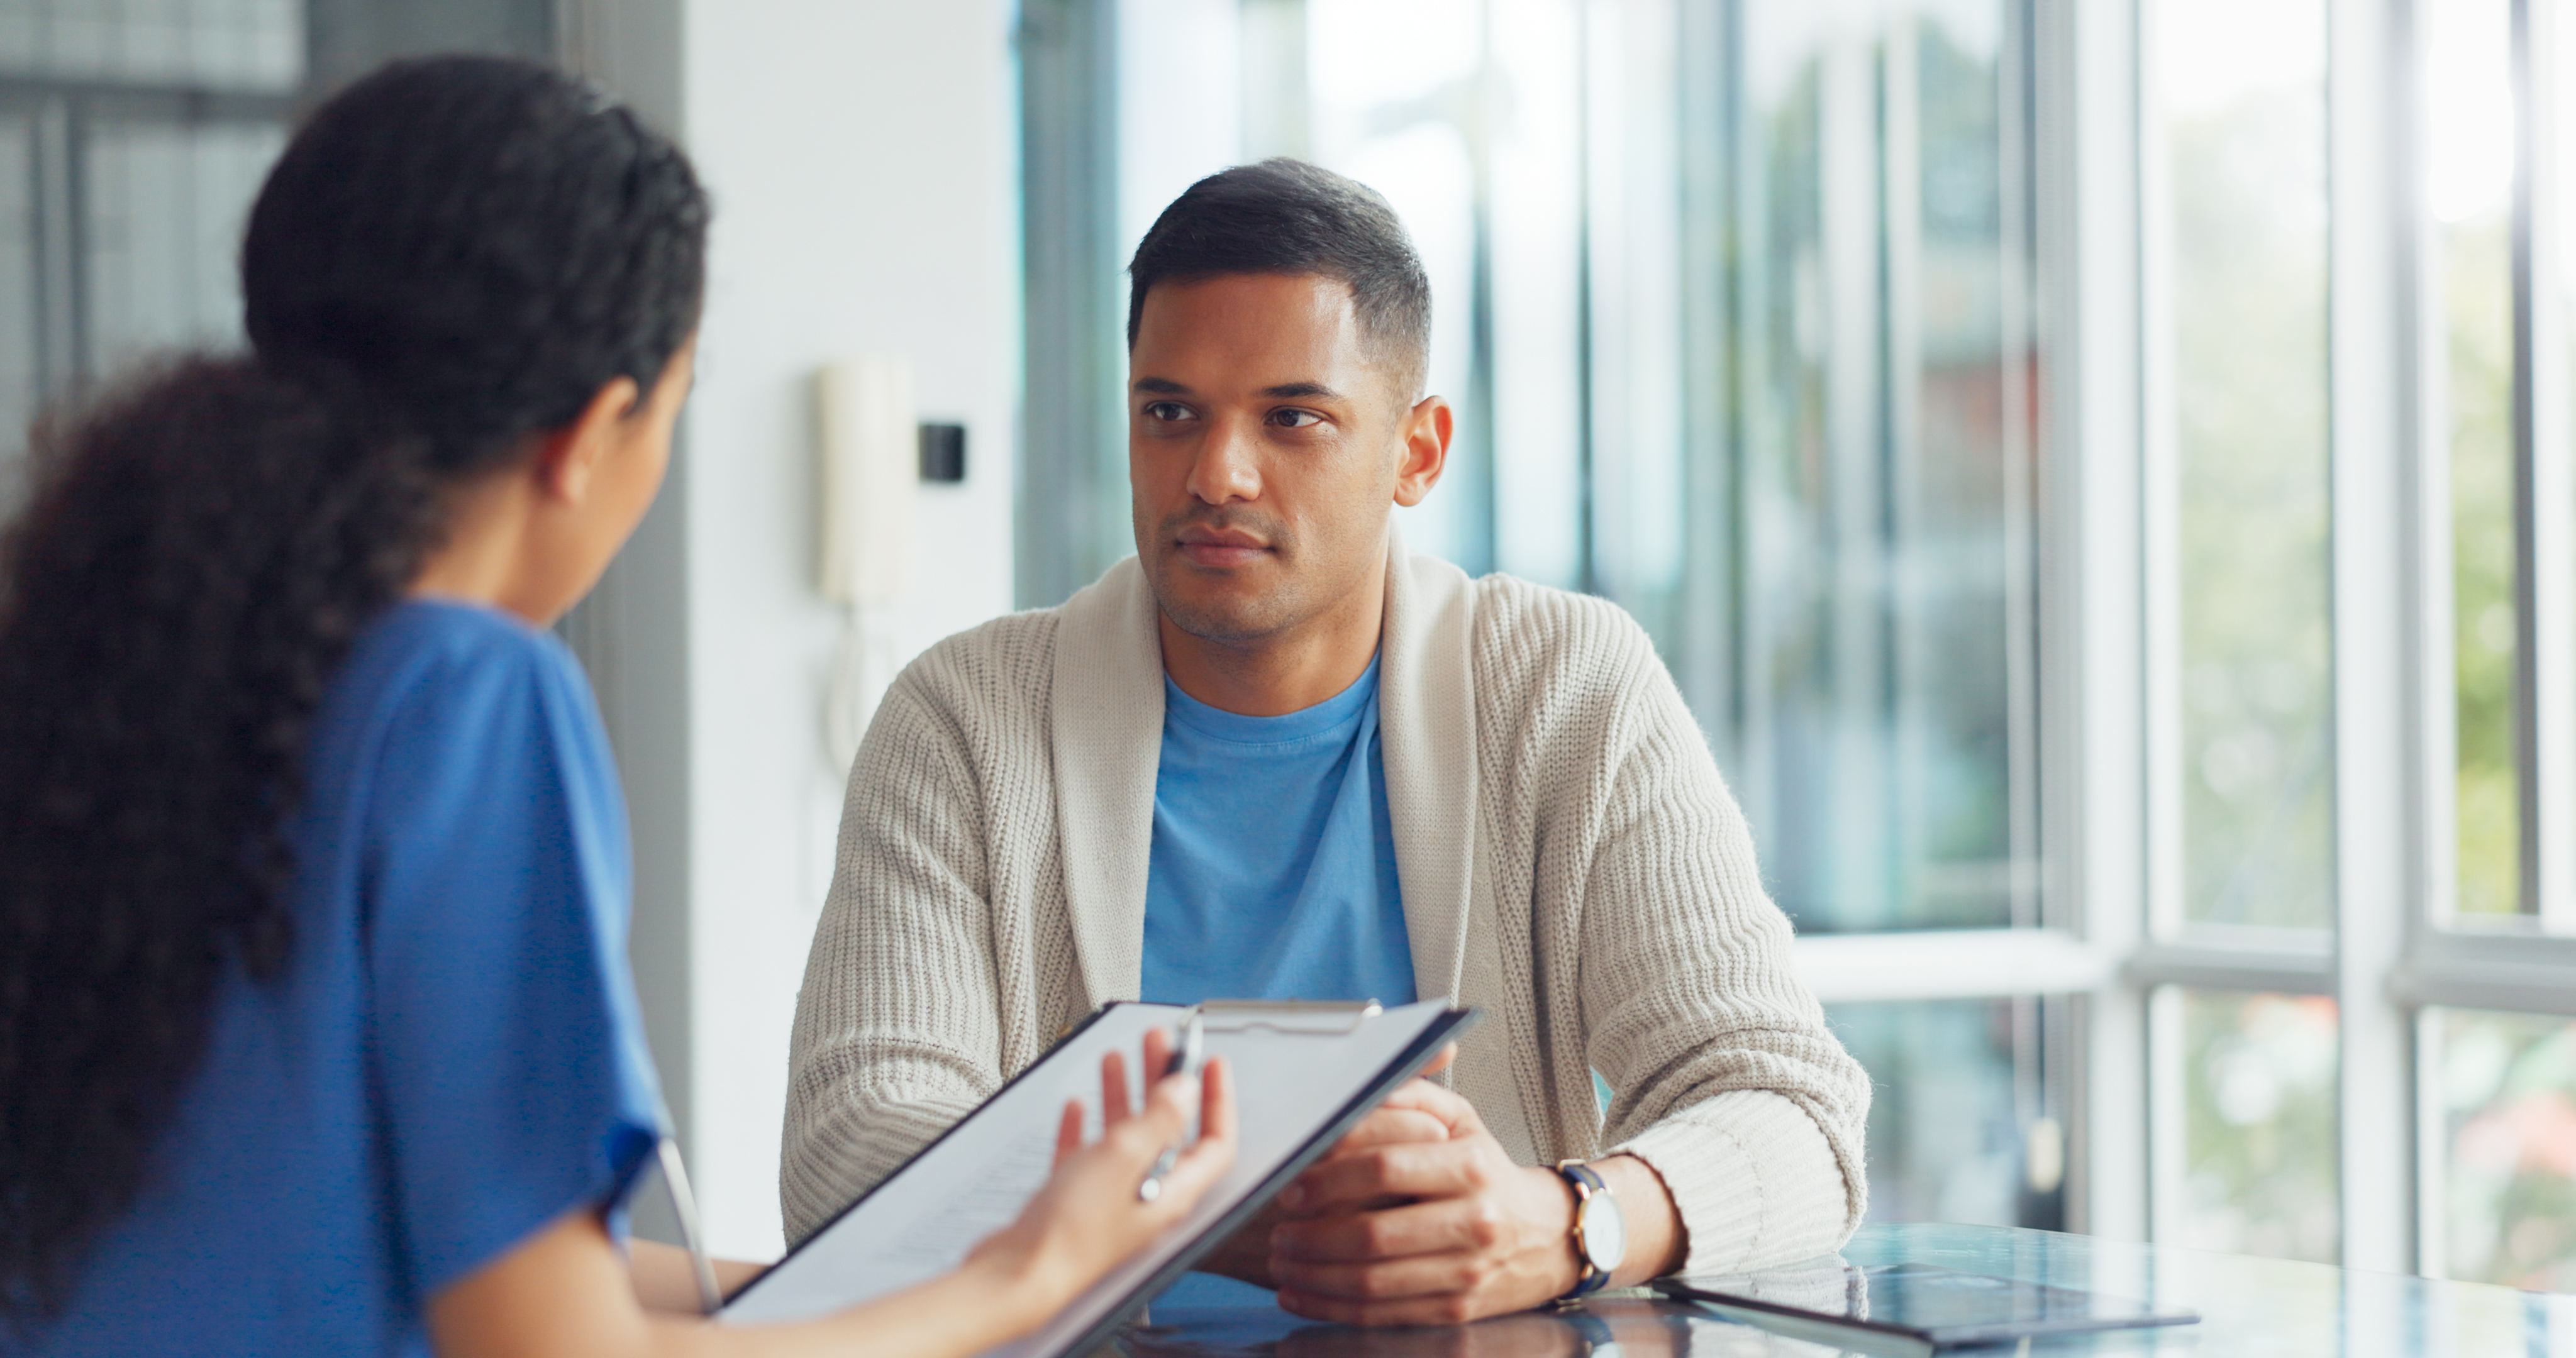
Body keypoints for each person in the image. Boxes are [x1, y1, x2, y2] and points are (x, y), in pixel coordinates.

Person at [0, 57, 1232, 1358]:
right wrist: (1037, 1276)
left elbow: (412, 1249)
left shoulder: (113, 675)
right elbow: (553, 1349)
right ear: (591, 433)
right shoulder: (465, 697)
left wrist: (889, 1281)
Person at [782, 158, 1870, 1327]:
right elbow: (852, 1151)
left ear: (1418, 451)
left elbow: (1789, 1112)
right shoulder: (962, 720)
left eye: (1293, 417)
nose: (1216, 473)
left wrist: (1562, 1226)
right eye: (1170, 413)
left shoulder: (1566, 688)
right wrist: (1230, 1207)